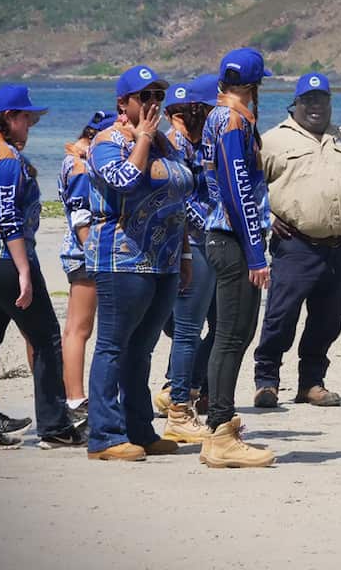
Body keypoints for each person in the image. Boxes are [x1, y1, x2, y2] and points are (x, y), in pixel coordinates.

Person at [0, 84, 83, 450]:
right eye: (27, 118)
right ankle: (55, 426)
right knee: (47, 338)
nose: (30, 125)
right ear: (9, 118)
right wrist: (24, 271)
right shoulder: (6, 157)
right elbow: (8, 218)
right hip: (2, 258)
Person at [84, 65, 193, 461]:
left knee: (142, 349)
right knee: (113, 347)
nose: (153, 104)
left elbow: (180, 197)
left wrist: (184, 254)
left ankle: (139, 430)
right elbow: (125, 180)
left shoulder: (166, 143)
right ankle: (104, 436)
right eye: (144, 96)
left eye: (158, 96)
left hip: (164, 260)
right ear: (122, 103)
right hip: (121, 260)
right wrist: (143, 137)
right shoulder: (106, 142)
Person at [252, 72, 341, 409]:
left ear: (329, 102)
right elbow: (248, 185)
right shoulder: (273, 140)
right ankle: (267, 382)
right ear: (295, 103)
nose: (315, 106)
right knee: (281, 317)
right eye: (308, 100)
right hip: (296, 245)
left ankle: (311, 383)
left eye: (321, 99)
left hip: (340, 248)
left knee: (328, 320)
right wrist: (267, 218)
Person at [200, 47, 276, 468]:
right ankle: (220, 431)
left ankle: (220, 426)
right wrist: (255, 252)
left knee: (236, 335)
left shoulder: (218, 116)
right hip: (232, 239)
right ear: (252, 87)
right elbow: (236, 188)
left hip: (226, 236)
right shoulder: (232, 121)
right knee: (231, 336)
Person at [157, 75, 219, 443]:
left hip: (203, 242)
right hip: (191, 245)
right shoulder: (174, 144)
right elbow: (179, 200)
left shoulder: (200, 141)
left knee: (218, 326)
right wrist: (213, 224)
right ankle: (179, 399)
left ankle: (189, 389)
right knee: (186, 330)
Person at [57, 109, 117, 426]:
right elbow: (81, 217)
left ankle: (74, 396)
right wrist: (96, 255)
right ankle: (76, 398)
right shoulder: (80, 166)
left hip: (78, 251)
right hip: (84, 253)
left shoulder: (73, 160)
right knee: (79, 329)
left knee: (76, 327)